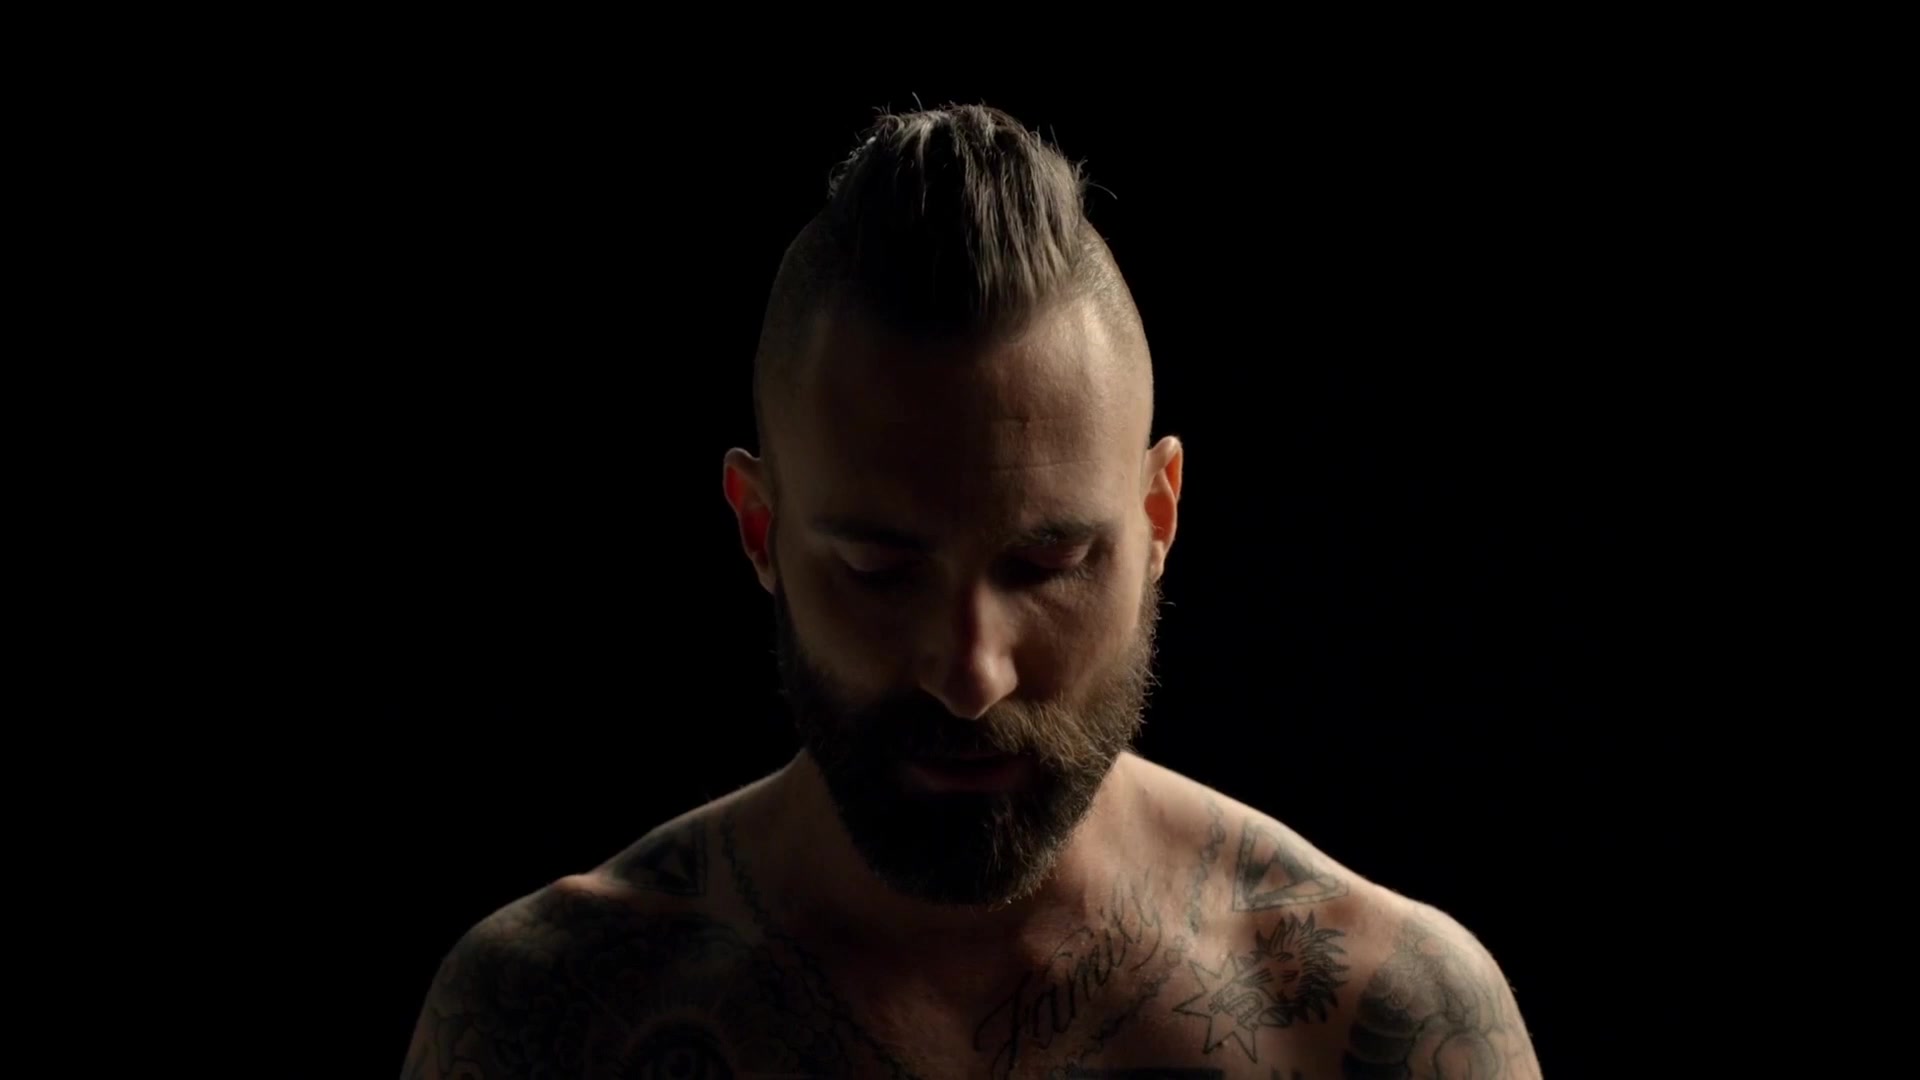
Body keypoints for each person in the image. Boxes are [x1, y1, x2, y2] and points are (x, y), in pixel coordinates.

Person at [401, 102, 1542, 1080]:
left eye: (1049, 566)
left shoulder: (1381, 1024)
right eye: (882, 572)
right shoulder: (542, 1017)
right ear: (759, 530)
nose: (971, 673)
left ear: (1158, 520)